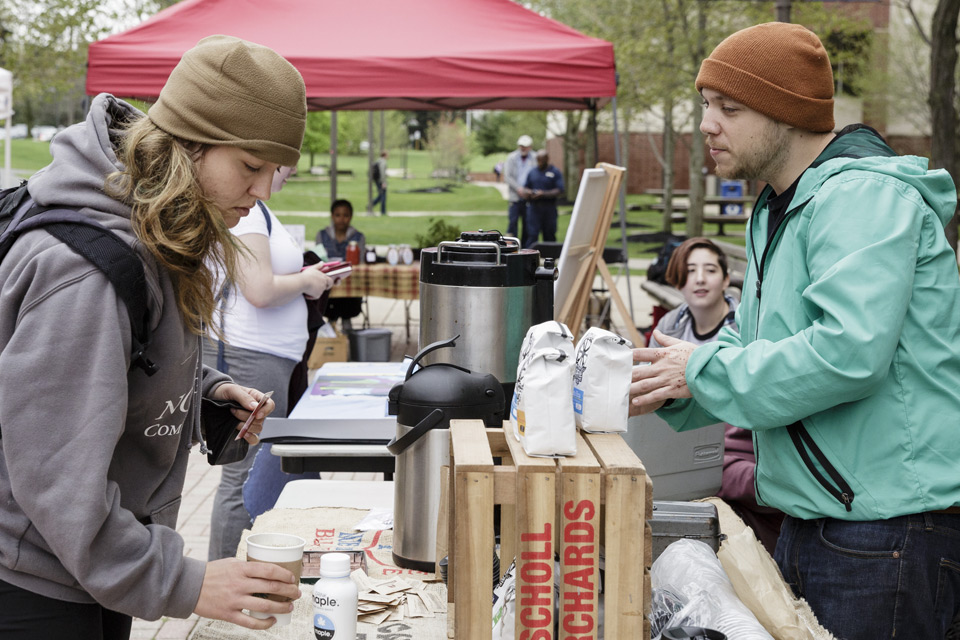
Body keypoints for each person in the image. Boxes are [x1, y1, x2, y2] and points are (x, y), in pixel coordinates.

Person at [630, 22, 960, 639]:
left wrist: (700, 369)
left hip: (884, 534)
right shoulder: (782, 206)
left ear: (787, 115)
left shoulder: (859, 196)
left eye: (730, 107)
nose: (707, 124)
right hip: (823, 524)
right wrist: (674, 382)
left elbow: (848, 352)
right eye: (706, 105)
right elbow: (751, 343)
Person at [0, 36, 308, 637]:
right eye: (250, 166)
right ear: (189, 142)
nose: (265, 191)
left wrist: (203, 392)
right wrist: (184, 581)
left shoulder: (150, 226)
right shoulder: (85, 273)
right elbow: (59, 484)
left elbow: (106, 373)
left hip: (91, 572)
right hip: (36, 588)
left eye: (277, 171)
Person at [204, 165, 334, 561]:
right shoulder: (247, 215)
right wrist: (308, 281)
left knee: (250, 468)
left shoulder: (256, 211)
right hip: (251, 353)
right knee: (240, 472)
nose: (283, 178)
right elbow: (259, 289)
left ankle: (238, 569)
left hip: (263, 352)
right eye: (285, 169)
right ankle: (221, 574)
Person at [649, 237, 783, 555]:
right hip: (684, 443)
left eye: (709, 270)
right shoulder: (671, 324)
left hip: (729, 448)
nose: (699, 278)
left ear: (726, 280)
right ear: (678, 281)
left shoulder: (743, 329)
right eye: (690, 270)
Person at [316, 198, 365, 330]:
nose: (341, 219)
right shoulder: (321, 235)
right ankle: (332, 324)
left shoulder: (358, 237)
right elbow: (318, 260)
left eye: (346, 215)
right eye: (338, 215)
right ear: (332, 216)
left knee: (348, 295)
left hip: (351, 284)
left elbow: (360, 263)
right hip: (329, 285)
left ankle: (344, 321)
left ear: (351, 217)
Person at [521, 149, 564, 248]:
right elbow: (525, 187)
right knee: (532, 234)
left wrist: (543, 194)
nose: (540, 163)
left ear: (547, 159)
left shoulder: (555, 172)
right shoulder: (532, 172)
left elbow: (559, 190)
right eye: (538, 160)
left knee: (549, 234)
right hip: (534, 208)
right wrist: (529, 192)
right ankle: (530, 259)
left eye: (542, 160)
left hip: (549, 208)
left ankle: (550, 258)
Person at [503, 134, 537, 247]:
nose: (523, 148)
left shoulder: (535, 158)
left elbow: (535, 175)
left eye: (525, 146)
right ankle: (511, 247)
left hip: (528, 197)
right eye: (521, 146)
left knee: (527, 224)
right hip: (515, 196)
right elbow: (507, 176)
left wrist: (528, 190)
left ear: (530, 147)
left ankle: (525, 249)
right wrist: (518, 188)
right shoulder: (511, 158)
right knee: (513, 223)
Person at [370, 150, 388, 216]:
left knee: (380, 195)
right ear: (385, 155)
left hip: (377, 180)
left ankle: (370, 205)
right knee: (383, 196)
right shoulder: (383, 162)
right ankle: (383, 211)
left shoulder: (378, 161)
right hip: (381, 181)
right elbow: (382, 173)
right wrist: (383, 182)